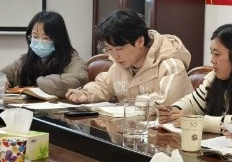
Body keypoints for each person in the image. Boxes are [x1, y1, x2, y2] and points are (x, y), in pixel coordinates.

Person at [64, 9, 192, 105]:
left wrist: (126, 104)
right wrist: (86, 94)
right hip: (133, 129)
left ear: (140, 41)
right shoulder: (119, 65)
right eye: (109, 49)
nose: (115, 55)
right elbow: (105, 86)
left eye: (119, 48)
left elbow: (166, 101)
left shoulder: (171, 65)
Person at [0, 10, 87, 98]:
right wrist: (1, 80)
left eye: (46, 38)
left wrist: (39, 81)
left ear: (59, 40)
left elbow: (68, 84)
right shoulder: (26, 61)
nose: (39, 42)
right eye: (35, 37)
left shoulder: (74, 62)